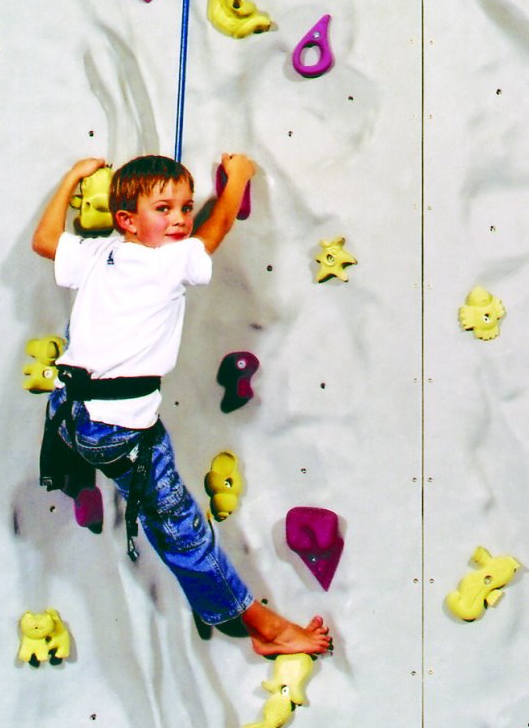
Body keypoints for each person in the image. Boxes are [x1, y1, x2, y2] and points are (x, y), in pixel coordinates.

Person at [32, 152, 330, 657]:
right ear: (126, 219)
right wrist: (237, 178)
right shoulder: (169, 262)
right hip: (120, 432)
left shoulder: (100, 254)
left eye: (186, 207)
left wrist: (70, 179)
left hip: (72, 411)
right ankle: (265, 629)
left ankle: (77, 473)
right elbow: (219, 228)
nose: (180, 219)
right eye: (163, 208)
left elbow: (45, 241)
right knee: (184, 534)